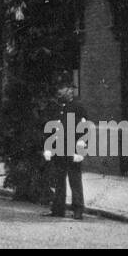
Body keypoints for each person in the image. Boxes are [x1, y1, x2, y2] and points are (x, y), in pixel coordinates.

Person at [45, 86, 87, 220]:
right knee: (59, 180)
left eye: (62, 89)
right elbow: (52, 129)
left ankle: (78, 209)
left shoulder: (78, 107)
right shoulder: (57, 107)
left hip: (72, 149)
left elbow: (84, 128)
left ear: (69, 91)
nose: (59, 92)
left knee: (74, 180)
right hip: (59, 149)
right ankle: (58, 209)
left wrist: (80, 149)